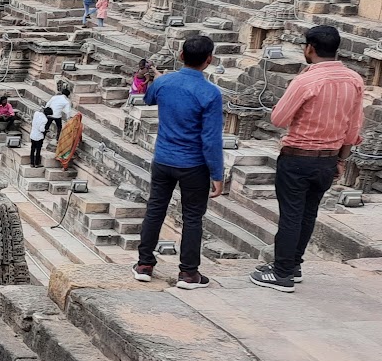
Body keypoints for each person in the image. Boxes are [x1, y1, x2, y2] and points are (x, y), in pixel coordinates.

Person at [252, 24, 365, 292]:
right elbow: (353, 129)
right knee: (308, 213)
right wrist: (341, 160)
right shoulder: (354, 80)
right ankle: (292, 265)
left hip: (298, 157)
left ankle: (282, 274)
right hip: (328, 159)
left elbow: (278, 118)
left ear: (310, 48)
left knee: (291, 215)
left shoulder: (306, 80)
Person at [133, 35, 224, 291]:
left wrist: (159, 79)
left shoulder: (166, 82)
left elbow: (149, 98)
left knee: (155, 209)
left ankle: (144, 264)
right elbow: (211, 138)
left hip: (163, 159)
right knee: (193, 218)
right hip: (194, 164)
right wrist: (217, 173)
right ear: (209, 60)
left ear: (181, 55)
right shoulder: (210, 93)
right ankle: (188, 273)